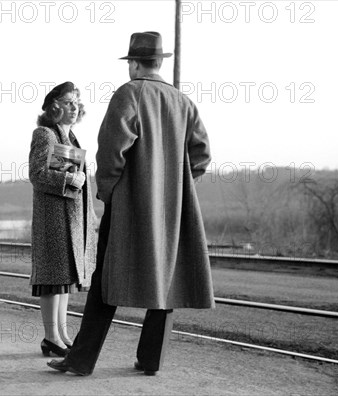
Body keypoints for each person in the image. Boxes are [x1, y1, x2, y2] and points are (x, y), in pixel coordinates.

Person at [47, 32, 214, 376]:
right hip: (172, 211)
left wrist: (109, 193)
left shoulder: (130, 93)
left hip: (129, 206)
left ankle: (81, 360)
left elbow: (111, 151)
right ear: (160, 62)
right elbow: (202, 154)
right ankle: (150, 360)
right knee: (167, 278)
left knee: (106, 279)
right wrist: (178, 187)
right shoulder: (183, 102)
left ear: (134, 64)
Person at [28, 81, 97, 357]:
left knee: (64, 281)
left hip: (71, 221)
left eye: (76, 101)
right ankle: (50, 338)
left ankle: (62, 335)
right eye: (68, 101)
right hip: (53, 221)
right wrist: (71, 178)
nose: (74, 106)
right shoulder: (45, 134)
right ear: (54, 106)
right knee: (52, 280)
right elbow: (37, 174)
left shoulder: (71, 137)